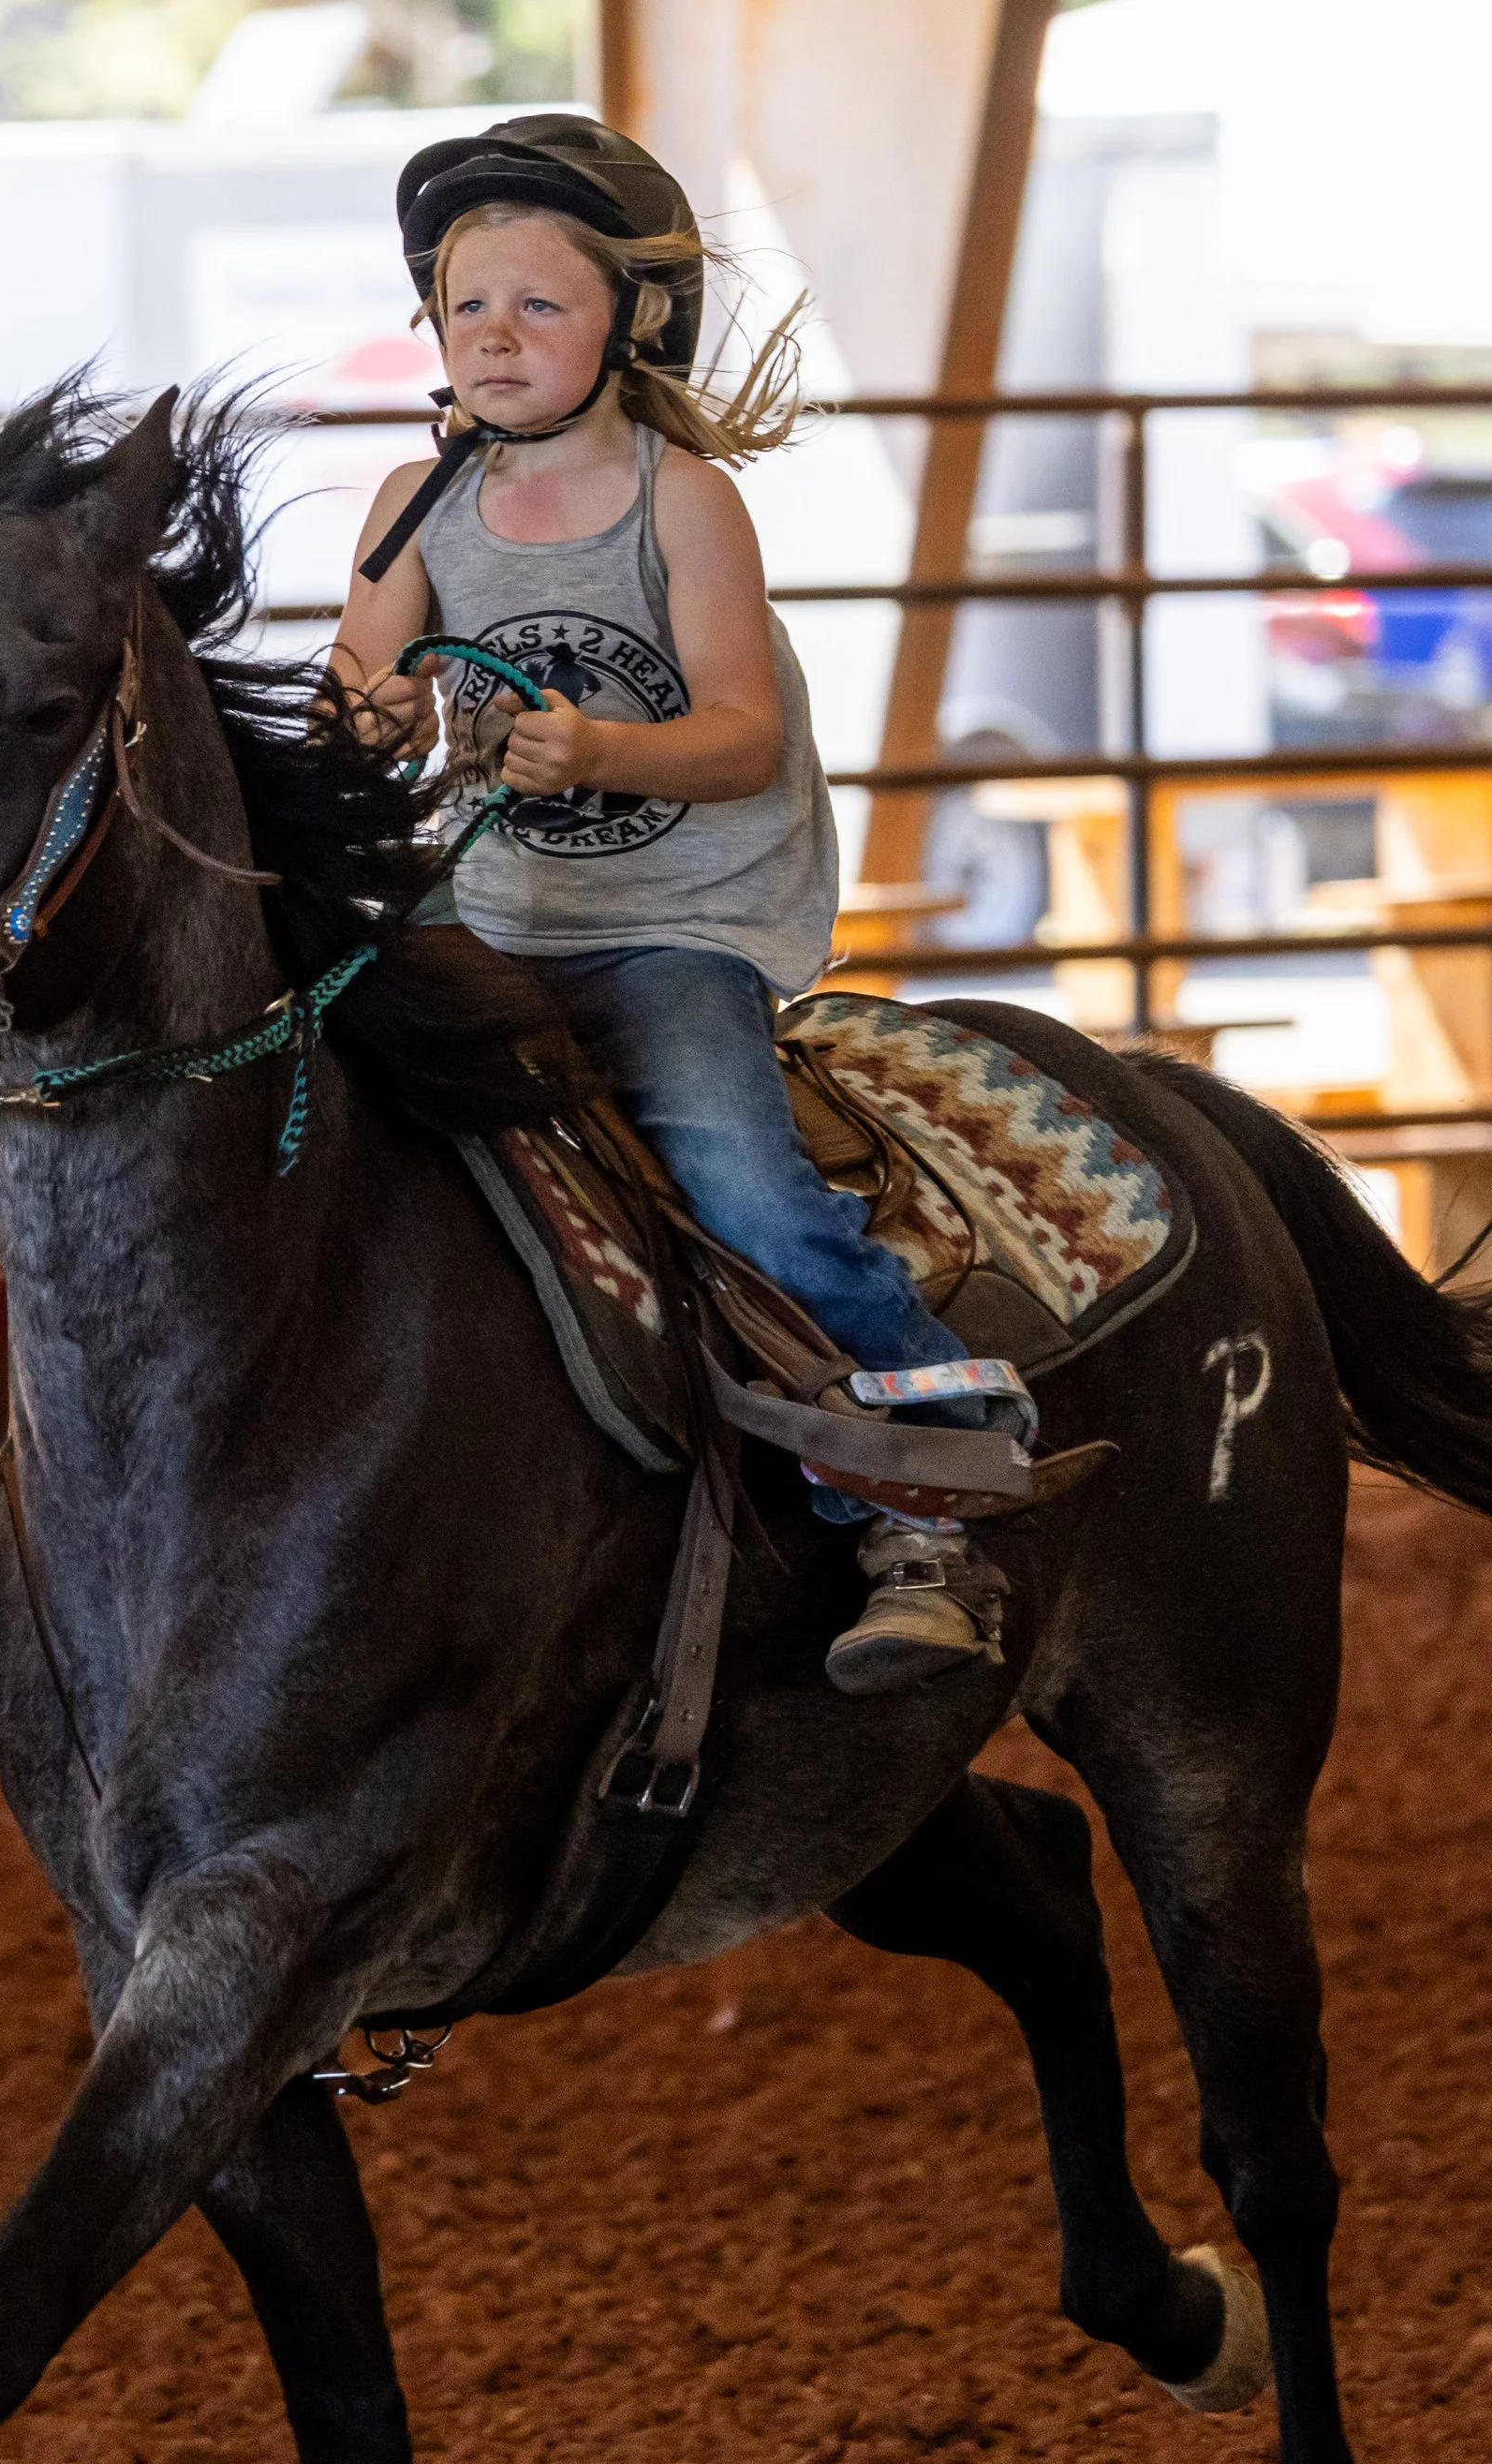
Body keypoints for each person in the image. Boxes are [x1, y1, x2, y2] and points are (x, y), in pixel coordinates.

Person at [328, 113, 998, 1697]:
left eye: (537, 305)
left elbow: (742, 735)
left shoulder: (680, 499)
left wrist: (601, 752)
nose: (493, 337)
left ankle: (932, 1475)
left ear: (632, 321)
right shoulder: (414, 503)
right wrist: (365, 722)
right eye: (465, 307)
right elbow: (357, 694)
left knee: (747, 1186)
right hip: (491, 914)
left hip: (675, 923)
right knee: (294, 1115)